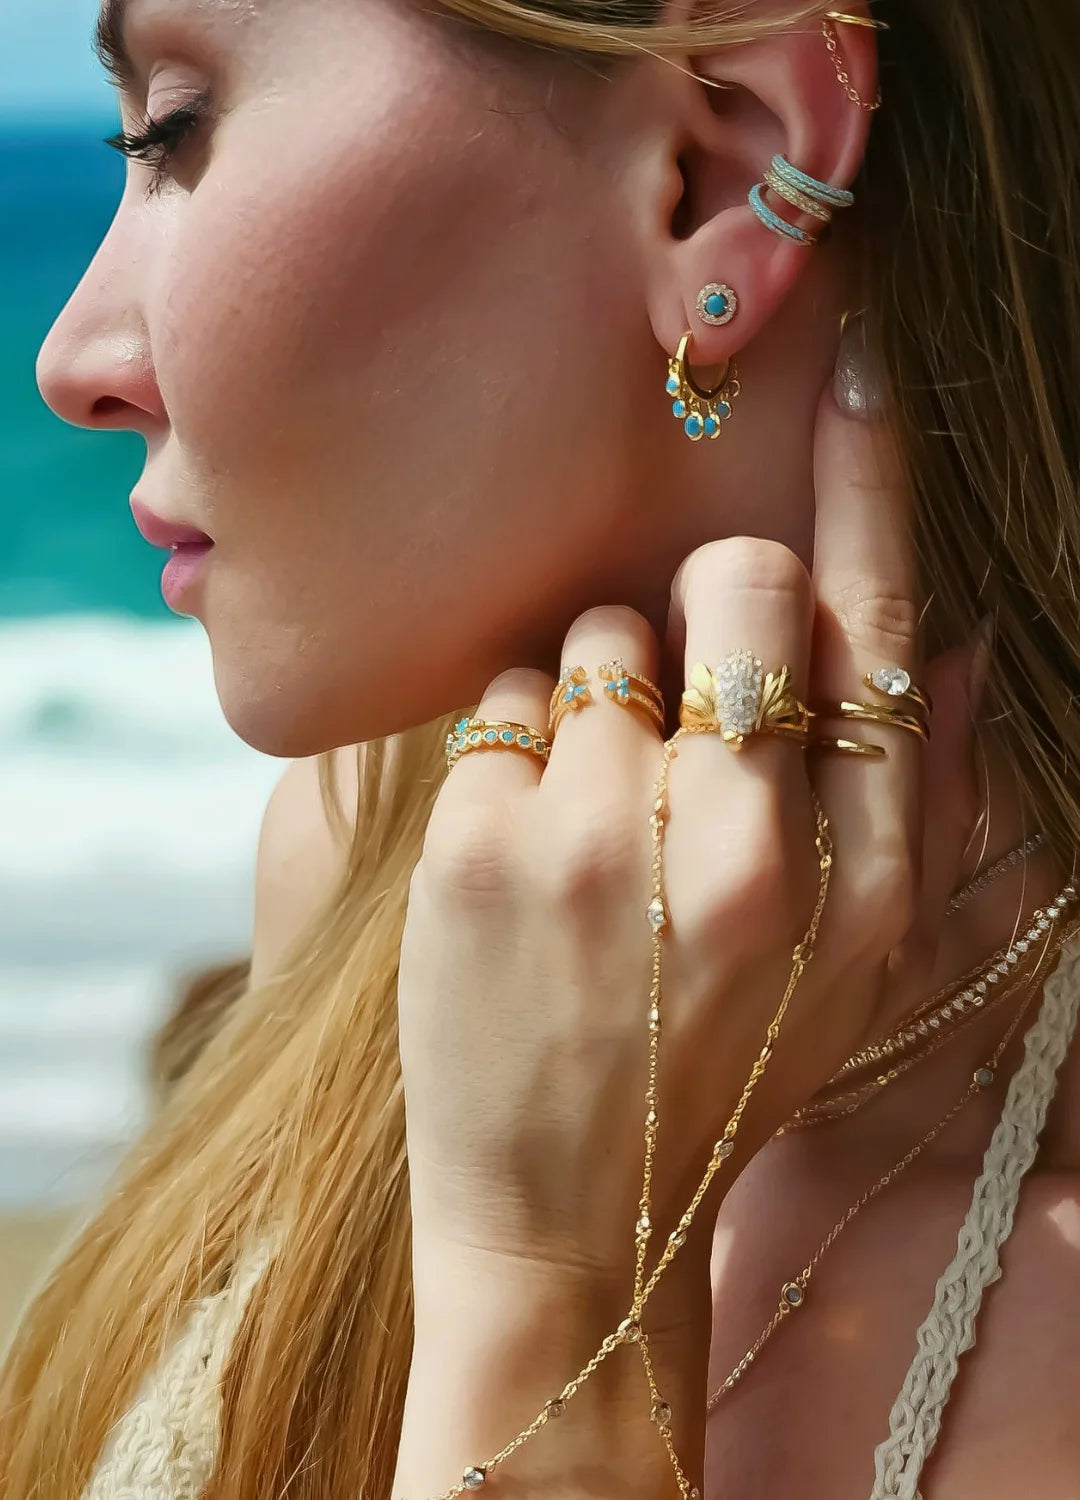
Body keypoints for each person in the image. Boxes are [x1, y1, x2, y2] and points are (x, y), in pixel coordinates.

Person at [3, 0, 1079, 1495]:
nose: (75, 362)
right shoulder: (387, 859)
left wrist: (545, 1292)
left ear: (721, 183)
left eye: (174, 130)